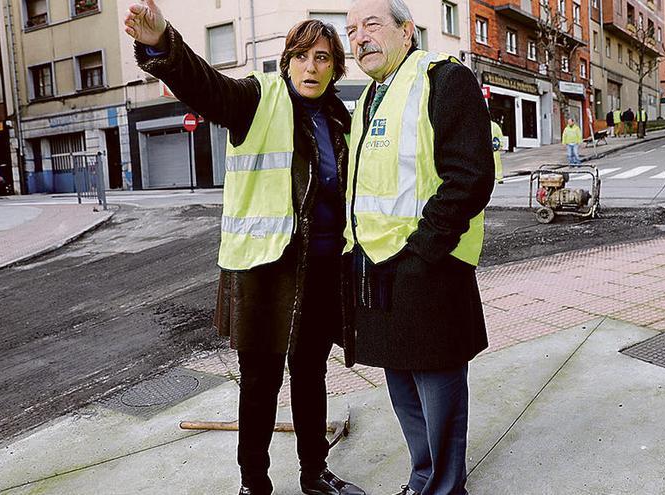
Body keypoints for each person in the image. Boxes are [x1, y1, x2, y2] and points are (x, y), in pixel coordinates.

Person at [124, 3, 366, 495]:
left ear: (336, 67)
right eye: (301, 56)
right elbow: (205, 86)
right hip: (265, 271)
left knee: (310, 376)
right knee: (260, 384)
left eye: (323, 58)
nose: (311, 67)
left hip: (321, 268)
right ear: (287, 61)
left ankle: (314, 474)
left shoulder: (341, 117)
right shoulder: (257, 99)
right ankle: (254, 484)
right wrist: (161, 44)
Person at [342, 0, 494, 493]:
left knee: (437, 382)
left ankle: (446, 487)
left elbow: (470, 176)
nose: (358, 37)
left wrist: (425, 250)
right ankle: (423, 476)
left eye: (370, 25)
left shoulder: (443, 80)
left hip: (430, 264)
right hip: (376, 264)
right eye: (350, 31)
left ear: (407, 31)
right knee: (400, 378)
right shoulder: (368, 98)